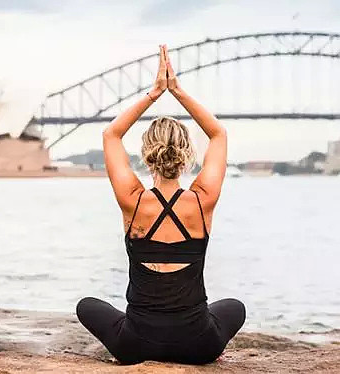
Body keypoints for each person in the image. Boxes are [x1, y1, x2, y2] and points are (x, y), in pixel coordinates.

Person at [76, 45, 245, 365]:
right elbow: (218, 134)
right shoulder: (202, 200)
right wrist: (178, 92)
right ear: (186, 155)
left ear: (147, 154)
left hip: (135, 344)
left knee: (86, 304)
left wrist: (154, 94)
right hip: (199, 345)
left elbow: (112, 134)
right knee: (235, 306)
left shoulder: (133, 201)